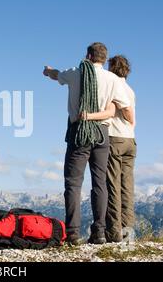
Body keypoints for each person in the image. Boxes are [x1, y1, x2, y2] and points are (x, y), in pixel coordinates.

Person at [43, 43, 131, 245]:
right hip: (102, 133)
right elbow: (123, 106)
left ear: (89, 56)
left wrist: (48, 71)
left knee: (73, 184)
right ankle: (98, 232)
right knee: (100, 183)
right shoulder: (113, 80)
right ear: (104, 58)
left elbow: (57, 75)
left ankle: (73, 233)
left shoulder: (77, 72)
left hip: (79, 131)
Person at [80, 55, 137, 242]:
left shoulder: (114, 85)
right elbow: (131, 115)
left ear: (112, 68)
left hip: (115, 139)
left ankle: (114, 233)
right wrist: (131, 122)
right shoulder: (130, 89)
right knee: (127, 187)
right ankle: (128, 231)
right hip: (130, 140)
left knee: (112, 186)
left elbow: (124, 111)